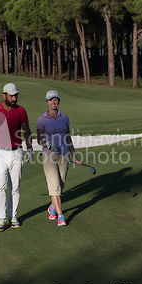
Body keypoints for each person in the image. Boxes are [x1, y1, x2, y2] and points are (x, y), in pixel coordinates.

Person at [0, 83, 33, 232]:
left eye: (16, 95)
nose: (14, 98)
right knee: (0, 186)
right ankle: (1, 219)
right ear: (4, 95)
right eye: (11, 95)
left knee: (15, 187)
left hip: (16, 152)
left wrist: (29, 148)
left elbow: (26, 130)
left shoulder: (21, 111)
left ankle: (13, 217)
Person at [37, 90, 81, 226]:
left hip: (64, 154)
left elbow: (68, 137)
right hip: (49, 156)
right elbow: (39, 139)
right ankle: (61, 215)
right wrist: (47, 144)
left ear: (58, 101)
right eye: (51, 100)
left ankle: (52, 207)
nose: (53, 102)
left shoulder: (64, 118)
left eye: (55, 100)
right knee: (54, 187)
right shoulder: (41, 119)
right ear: (47, 102)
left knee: (60, 186)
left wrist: (75, 156)